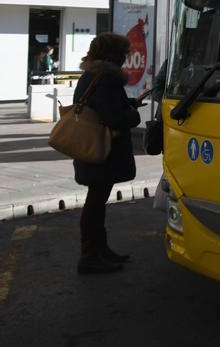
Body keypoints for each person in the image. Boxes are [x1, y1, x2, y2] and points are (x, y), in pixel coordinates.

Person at [73, 32, 143, 274]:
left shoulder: (92, 74)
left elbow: (101, 107)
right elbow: (113, 117)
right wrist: (133, 115)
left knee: (97, 200)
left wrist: (129, 103)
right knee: (95, 202)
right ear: (114, 55)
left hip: (92, 147)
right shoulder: (107, 79)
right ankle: (90, 255)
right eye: (124, 53)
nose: (126, 58)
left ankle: (99, 250)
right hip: (102, 151)